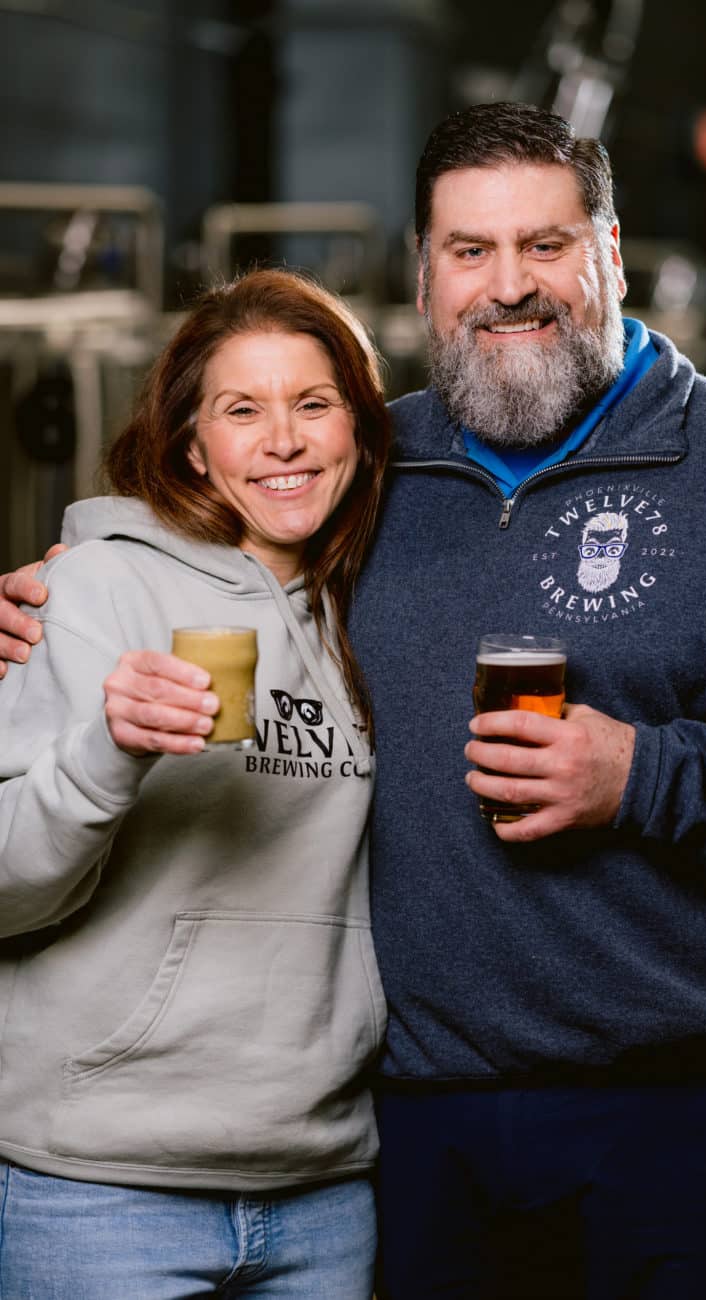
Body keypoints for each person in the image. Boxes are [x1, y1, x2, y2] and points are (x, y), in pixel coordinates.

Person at [3, 101, 706, 1300]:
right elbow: (224, 527)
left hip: (676, 1108)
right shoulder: (372, 468)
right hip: (411, 1123)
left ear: (611, 253)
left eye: (546, 245)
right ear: (425, 276)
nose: (508, 285)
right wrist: (79, 587)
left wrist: (646, 775)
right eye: (471, 251)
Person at [0, 268, 390, 1298]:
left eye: (314, 403)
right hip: (100, 1186)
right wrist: (105, 753)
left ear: (356, 423)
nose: (284, 439)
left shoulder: (371, 606)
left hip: (323, 1181)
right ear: (190, 443)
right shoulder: (94, 588)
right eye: (242, 409)